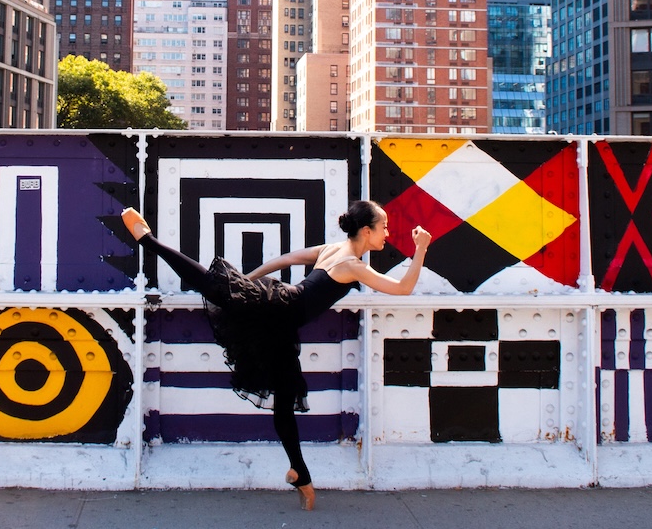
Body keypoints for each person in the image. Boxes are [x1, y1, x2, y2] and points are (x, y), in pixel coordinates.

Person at [122, 201, 431, 510]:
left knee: (285, 397)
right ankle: (147, 239)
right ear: (366, 231)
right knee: (210, 284)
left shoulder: (334, 250)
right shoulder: (353, 265)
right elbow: (403, 288)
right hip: (279, 309)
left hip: (281, 320)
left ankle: (300, 474)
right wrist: (421, 249)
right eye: (384, 227)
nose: (387, 233)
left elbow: (285, 259)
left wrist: (245, 282)